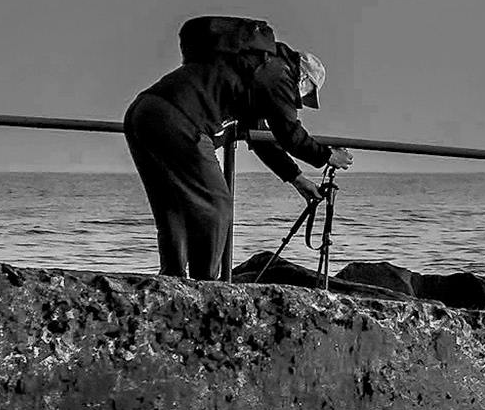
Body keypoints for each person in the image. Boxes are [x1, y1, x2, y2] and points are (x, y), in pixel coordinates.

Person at [122, 16, 347, 279]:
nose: (300, 102)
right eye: (306, 94)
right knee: (216, 204)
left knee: (172, 204)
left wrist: (296, 179)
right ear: (304, 78)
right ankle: (205, 285)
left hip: (143, 112)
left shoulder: (251, 71)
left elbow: (262, 138)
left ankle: (172, 278)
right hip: (182, 122)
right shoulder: (278, 75)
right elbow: (289, 133)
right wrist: (328, 155)